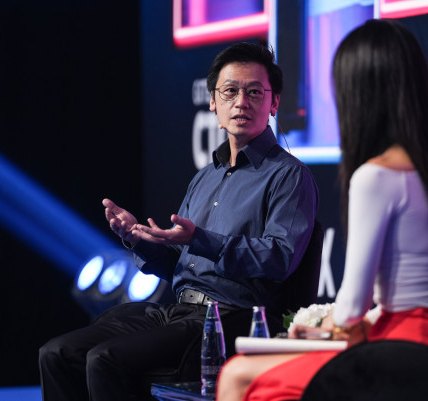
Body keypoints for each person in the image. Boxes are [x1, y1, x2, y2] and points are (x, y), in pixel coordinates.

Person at [38, 42, 319, 401]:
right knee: (57, 354)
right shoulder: (205, 177)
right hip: (178, 311)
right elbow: (179, 267)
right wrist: (139, 240)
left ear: (274, 102)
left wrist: (199, 239)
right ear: (213, 102)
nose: (241, 102)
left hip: (230, 318)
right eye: (230, 91)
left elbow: (279, 259)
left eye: (254, 92)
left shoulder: (289, 175)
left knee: (105, 360)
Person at [215, 19, 428, 401]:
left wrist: (325, 326)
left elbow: (352, 306)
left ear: (359, 93)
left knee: (238, 375)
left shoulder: (375, 176)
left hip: (402, 353)